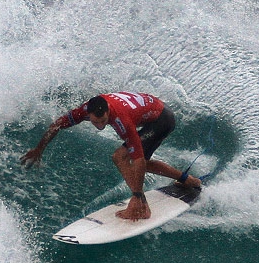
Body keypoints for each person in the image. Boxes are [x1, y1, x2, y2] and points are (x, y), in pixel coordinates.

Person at [21, 92, 202, 221]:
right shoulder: (83, 110)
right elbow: (56, 125)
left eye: (103, 121)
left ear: (108, 111)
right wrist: (39, 149)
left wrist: (137, 195)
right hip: (154, 111)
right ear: (88, 114)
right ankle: (188, 180)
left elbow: (136, 159)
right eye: (94, 121)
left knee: (120, 157)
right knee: (141, 162)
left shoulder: (121, 119)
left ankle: (141, 207)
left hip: (162, 120)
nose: (99, 125)